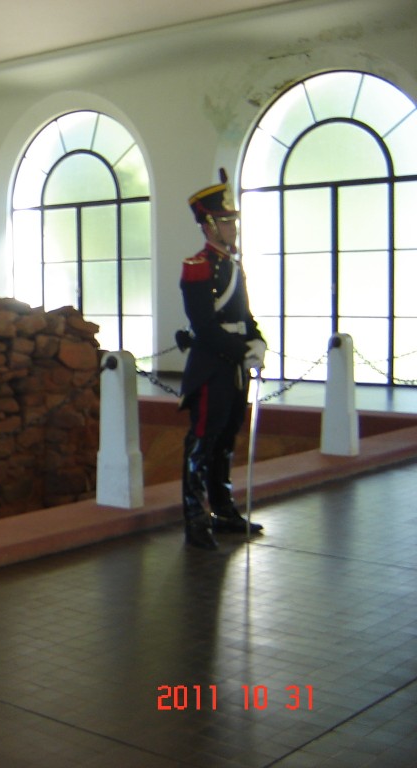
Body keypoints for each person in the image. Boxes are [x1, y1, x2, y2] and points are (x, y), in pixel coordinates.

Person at [178, 169, 266, 550]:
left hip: (233, 366)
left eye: (233, 220)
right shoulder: (198, 266)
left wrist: (257, 339)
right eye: (226, 221)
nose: (233, 227)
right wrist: (239, 351)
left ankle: (224, 509)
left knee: (226, 439)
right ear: (209, 225)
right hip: (213, 365)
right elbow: (205, 326)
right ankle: (196, 517)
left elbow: (243, 315)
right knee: (203, 440)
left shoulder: (232, 264)